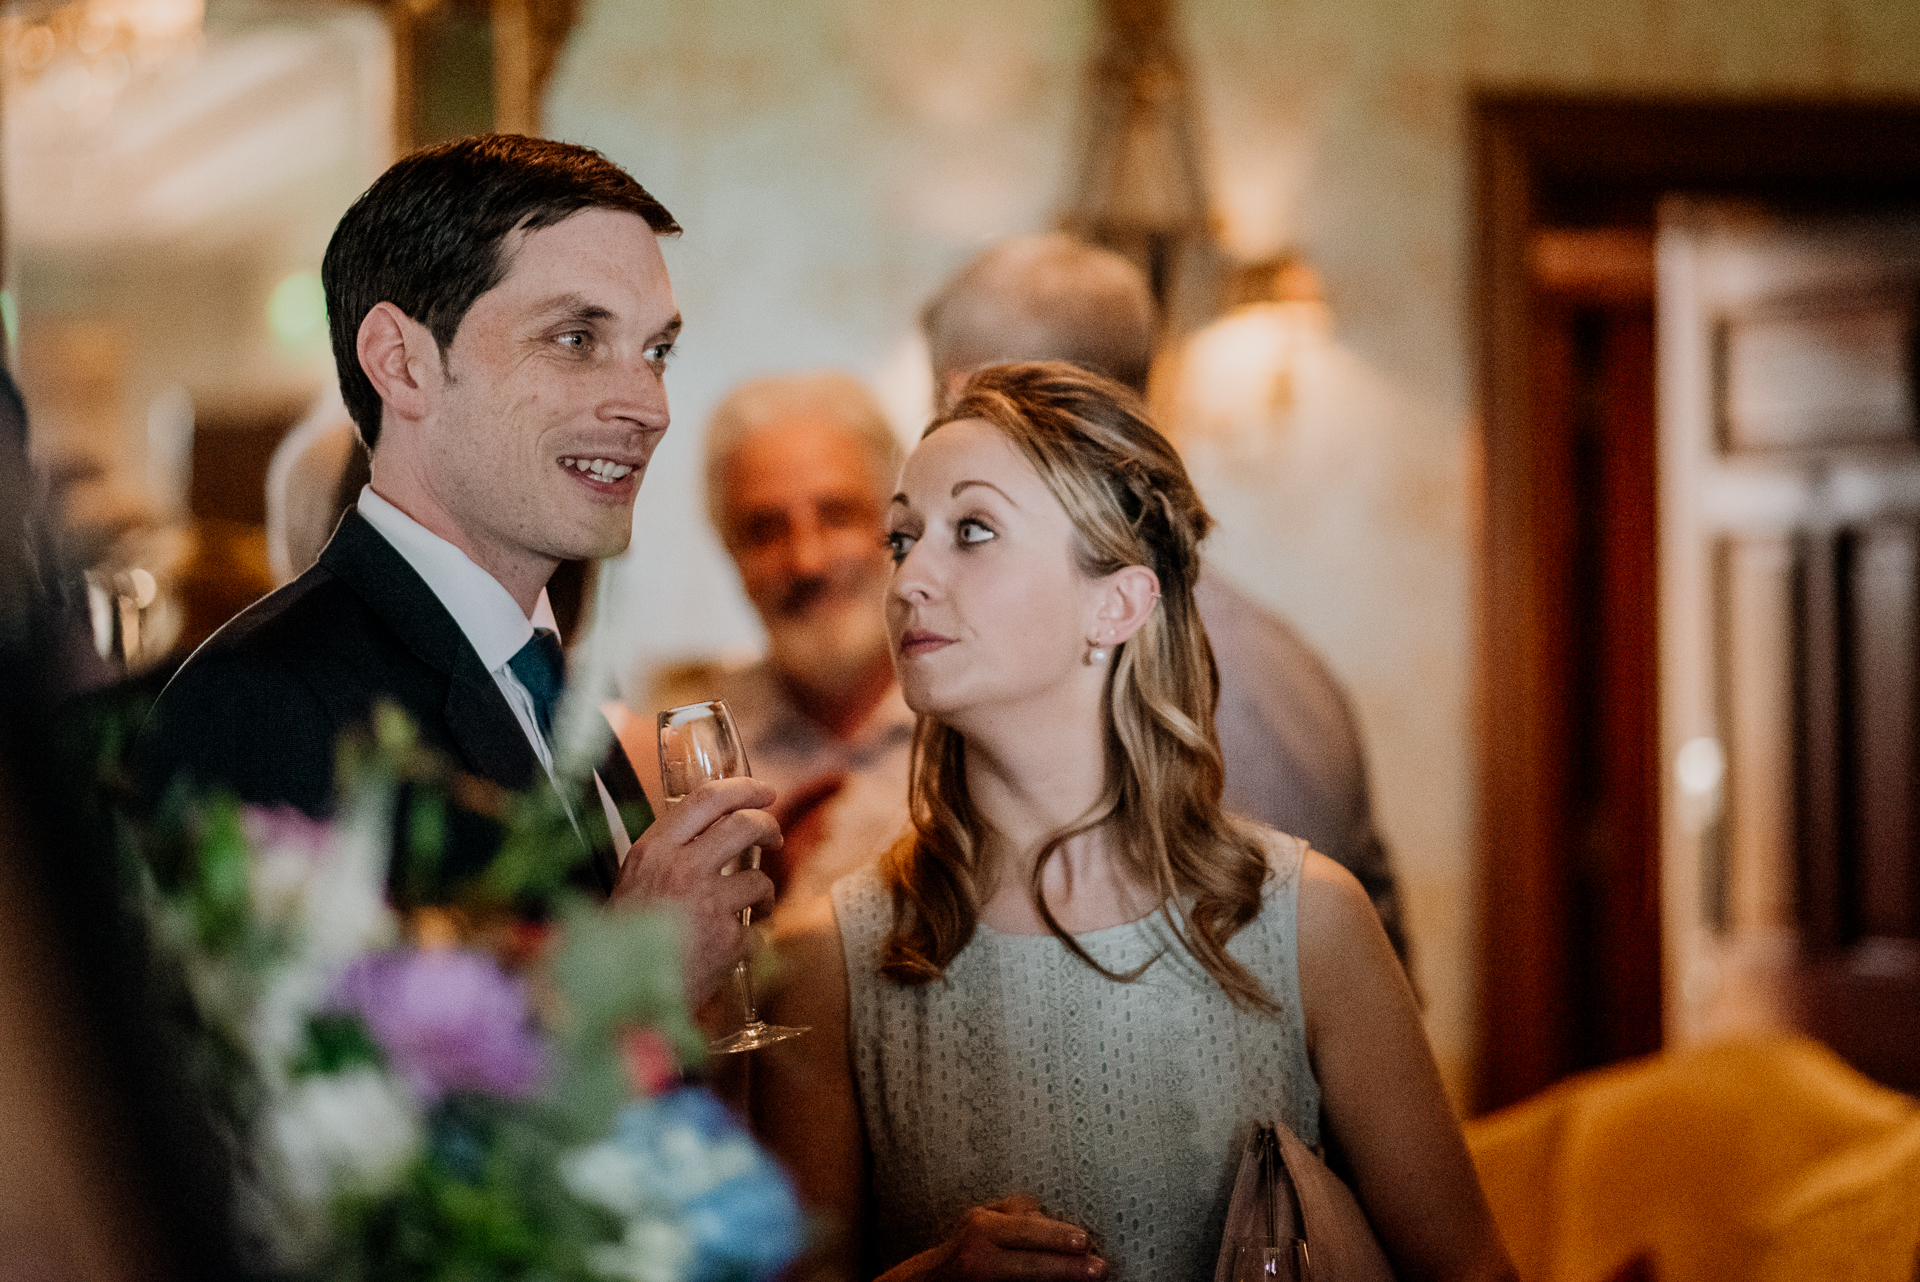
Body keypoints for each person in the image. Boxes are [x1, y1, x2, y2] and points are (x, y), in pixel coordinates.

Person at [755, 364, 1512, 1282]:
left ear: (1116, 602)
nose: (909, 577)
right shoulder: (827, 968)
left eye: (973, 530)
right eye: (905, 537)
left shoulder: (1307, 924)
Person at [134, 135, 778, 1007]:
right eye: (577, 338)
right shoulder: (257, 704)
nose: (647, 407)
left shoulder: (550, 674)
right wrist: (623, 978)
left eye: (655, 350)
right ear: (402, 363)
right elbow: (254, 1120)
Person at [919, 233, 1410, 963]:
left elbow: (1232, 1002)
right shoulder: (1163, 643)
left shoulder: (1205, 686)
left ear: (981, 398)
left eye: (939, 406)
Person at [624, 371, 912, 910]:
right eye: (765, 530)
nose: (808, 560)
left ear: (897, 528)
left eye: (836, 514)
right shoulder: (680, 755)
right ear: (730, 553)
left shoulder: (987, 725)